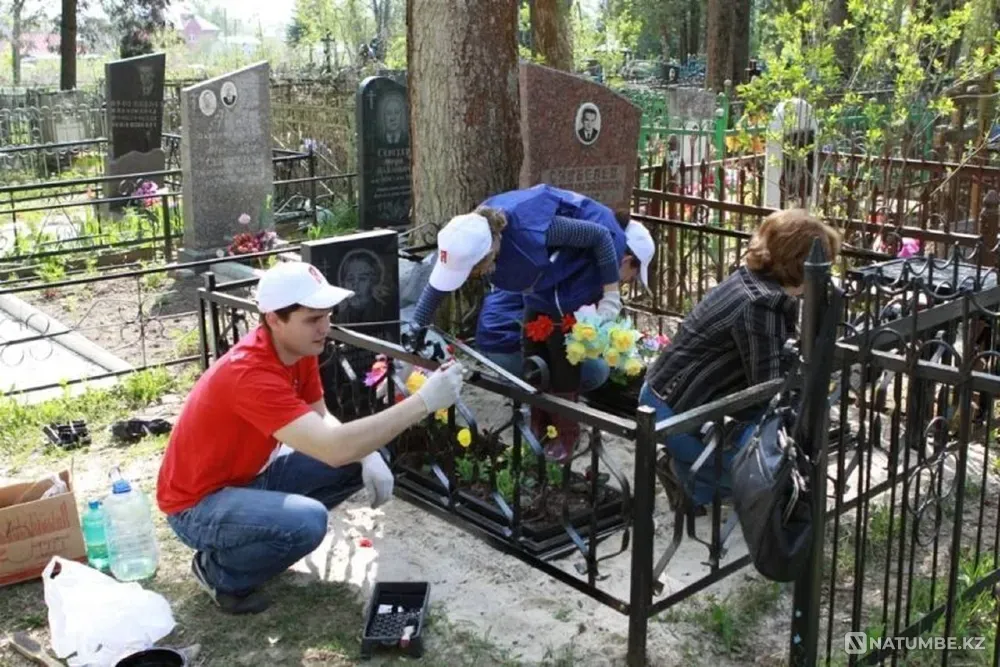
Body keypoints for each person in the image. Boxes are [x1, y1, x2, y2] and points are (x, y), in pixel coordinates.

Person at [157, 261, 465, 615]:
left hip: (245, 481)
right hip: (195, 507)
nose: (325, 328)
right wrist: (423, 402)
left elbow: (322, 416)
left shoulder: (295, 349)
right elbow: (332, 449)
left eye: (327, 316)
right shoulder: (250, 373)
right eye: (312, 320)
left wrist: (366, 457)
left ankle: (252, 536)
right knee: (308, 521)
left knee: (365, 449)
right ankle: (219, 572)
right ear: (274, 319)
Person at [409, 184, 655, 459]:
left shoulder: (533, 231)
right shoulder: (468, 234)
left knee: (563, 350)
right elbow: (438, 286)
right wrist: (416, 329)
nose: (471, 276)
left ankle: (566, 432)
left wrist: (611, 293)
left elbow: (597, 236)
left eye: (474, 270)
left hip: (581, 263)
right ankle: (540, 423)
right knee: (533, 344)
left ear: (489, 254)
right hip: (544, 278)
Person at [639, 209, 841, 508]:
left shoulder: (751, 279)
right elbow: (769, 387)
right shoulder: (763, 302)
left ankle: (695, 479)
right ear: (802, 266)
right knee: (776, 470)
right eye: (821, 267)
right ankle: (689, 475)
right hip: (678, 416)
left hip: (661, 396)